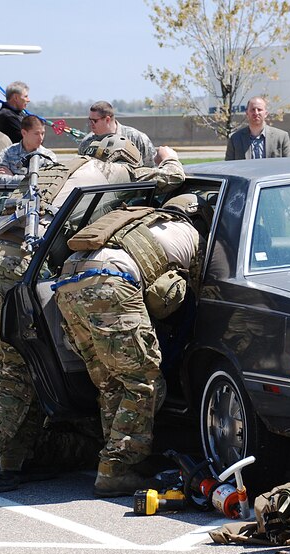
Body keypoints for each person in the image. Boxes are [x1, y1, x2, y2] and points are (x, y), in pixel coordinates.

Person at [0, 136, 186, 494]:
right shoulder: (112, 169)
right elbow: (171, 177)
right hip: (18, 263)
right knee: (18, 373)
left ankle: (12, 460)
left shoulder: (59, 167)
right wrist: (168, 156)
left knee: (12, 364)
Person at [53, 194, 209, 497]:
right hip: (110, 281)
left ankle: (115, 459)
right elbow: (201, 293)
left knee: (112, 381)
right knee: (144, 383)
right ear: (198, 217)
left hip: (69, 282)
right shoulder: (194, 235)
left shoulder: (140, 222)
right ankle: (117, 469)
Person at [78, 100, 156, 167]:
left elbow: (152, 169)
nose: (90, 123)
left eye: (94, 121)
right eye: (89, 120)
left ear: (107, 119)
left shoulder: (136, 138)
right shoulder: (86, 143)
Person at [0, 115, 58, 184]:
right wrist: (31, 178)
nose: (41, 138)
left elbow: (48, 181)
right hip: (9, 194)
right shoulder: (8, 153)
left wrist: (13, 177)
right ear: (24, 133)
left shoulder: (48, 156)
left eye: (42, 133)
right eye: (36, 134)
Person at [225, 96, 290, 160]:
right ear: (247, 113)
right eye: (253, 110)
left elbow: (289, 165)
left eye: (259, 109)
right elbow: (229, 167)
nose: (256, 113)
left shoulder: (281, 137)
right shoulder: (235, 139)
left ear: (266, 114)